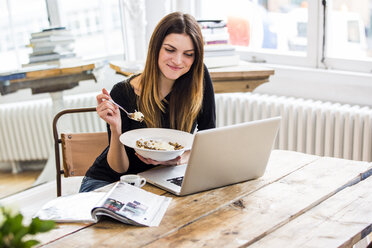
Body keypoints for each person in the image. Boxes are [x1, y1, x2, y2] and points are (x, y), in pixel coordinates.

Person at [79, 11, 216, 192]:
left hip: (162, 179)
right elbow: (119, 168)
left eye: (188, 54)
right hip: (110, 182)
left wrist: (180, 159)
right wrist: (115, 128)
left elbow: (209, 139)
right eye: (170, 50)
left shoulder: (198, 79)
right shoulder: (123, 92)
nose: (178, 60)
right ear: (155, 48)